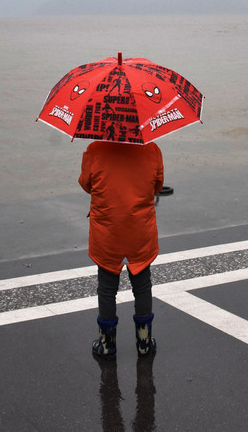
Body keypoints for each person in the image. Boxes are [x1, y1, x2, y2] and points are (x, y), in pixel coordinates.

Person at [79, 140, 164, 358]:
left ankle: (107, 344)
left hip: (108, 232)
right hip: (139, 231)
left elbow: (86, 184)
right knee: (143, 286)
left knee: (106, 288)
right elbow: (157, 186)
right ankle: (144, 343)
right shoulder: (152, 150)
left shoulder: (95, 150)